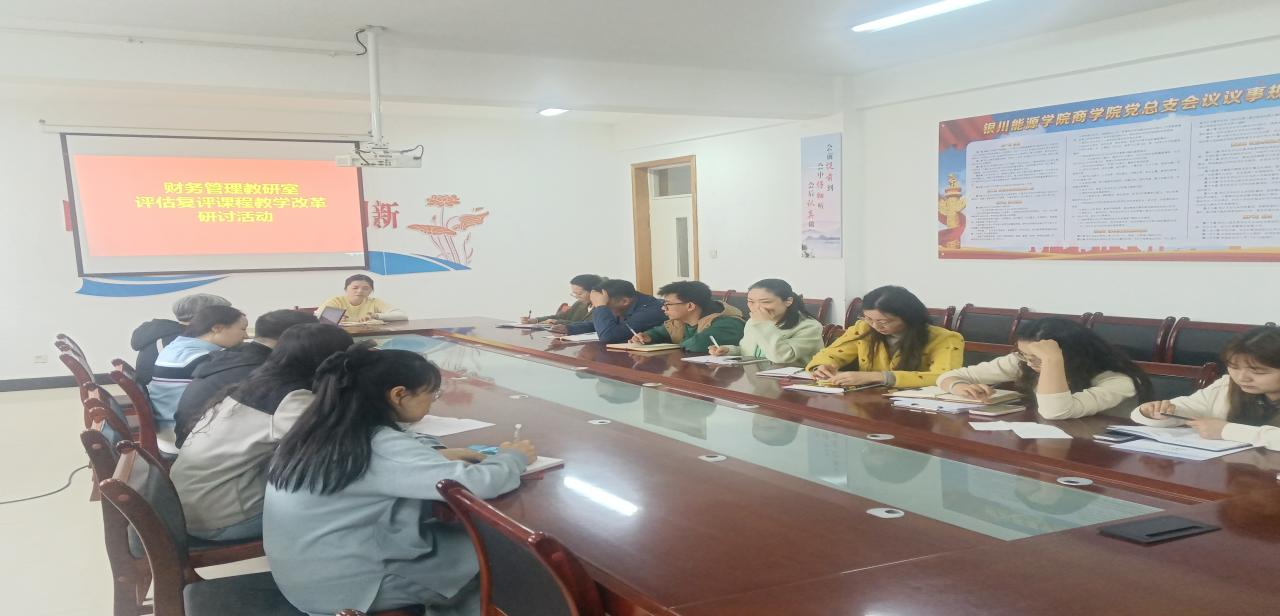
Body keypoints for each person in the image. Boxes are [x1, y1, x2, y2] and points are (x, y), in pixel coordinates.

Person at [264, 346, 536, 616]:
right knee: (497, 554)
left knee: (461, 544)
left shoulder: (319, 429)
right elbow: (479, 483)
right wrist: (514, 457)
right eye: (432, 394)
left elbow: (394, 455)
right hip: (353, 586)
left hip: (307, 574)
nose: (432, 402)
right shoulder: (379, 446)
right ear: (399, 395)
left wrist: (432, 453)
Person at [170, 324, 354, 541]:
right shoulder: (291, 399)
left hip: (190, 505)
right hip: (224, 517)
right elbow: (337, 446)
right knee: (349, 504)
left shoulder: (258, 384)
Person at [938, 318, 1152, 419]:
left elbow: (1056, 411)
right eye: (1024, 354)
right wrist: (959, 386)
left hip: (1100, 455)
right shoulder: (1024, 360)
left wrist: (1052, 361)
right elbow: (949, 376)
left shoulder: (1118, 380)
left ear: (1072, 354)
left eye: (1037, 357)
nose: (1029, 363)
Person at [174, 309, 318, 443]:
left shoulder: (236, 356)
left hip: (191, 440)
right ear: (295, 339)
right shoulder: (262, 372)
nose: (246, 336)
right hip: (211, 447)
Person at [1133, 326, 1280, 451]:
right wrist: (1155, 413)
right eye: (1234, 367)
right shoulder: (1226, 387)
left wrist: (1225, 430)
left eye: (1258, 372)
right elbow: (1187, 408)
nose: (1242, 378)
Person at [807, 285, 963, 388]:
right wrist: (822, 367)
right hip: (869, 403)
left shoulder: (945, 339)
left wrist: (879, 377)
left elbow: (943, 377)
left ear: (908, 317)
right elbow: (830, 354)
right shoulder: (863, 328)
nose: (875, 326)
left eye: (884, 321)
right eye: (868, 318)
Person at [147, 305, 248, 452]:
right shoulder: (200, 359)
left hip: (167, 425)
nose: (246, 336)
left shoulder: (177, 347)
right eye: (243, 329)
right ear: (217, 328)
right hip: (182, 434)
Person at [708, 279, 823, 366]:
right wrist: (729, 350)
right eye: (751, 302)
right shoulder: (754, 322)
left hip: (791, 384)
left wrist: (763, 324)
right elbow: (751, 351)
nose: (756, 307)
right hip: (757, 380)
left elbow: (781, 357)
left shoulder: (810, 327)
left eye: (765, 302)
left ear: (788, 301)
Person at [130, 293, 230, 386]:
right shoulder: (187, 340)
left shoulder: (163, 332)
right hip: (172, 394)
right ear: (207, 316)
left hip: (156, 391)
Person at [630, 280, 745, 353]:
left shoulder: (728, 323)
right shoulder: (681, 321)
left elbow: (697, 345)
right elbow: (659, 332)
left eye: (668, 304)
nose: (663, 308)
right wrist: (647, 336)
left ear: (690, 306)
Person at [551, 279, 666, 343]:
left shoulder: (651, 311)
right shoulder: (625, 304)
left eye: (604, 302)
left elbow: (609, 336)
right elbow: (600, 324)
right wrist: (569, 328)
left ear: (624, 301)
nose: (596, 306)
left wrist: (601, 306)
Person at [317, 274, 407, 323]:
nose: (360, 291)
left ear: (371, 291)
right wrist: (334, 318)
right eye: (355, 288)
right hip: (342, 338)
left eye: (365, 288)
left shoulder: (374, 302)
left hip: (371, 337)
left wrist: (376, 316)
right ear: (346, 289)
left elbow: (402, 316)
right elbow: (317, 317)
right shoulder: (336, 301)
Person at [521, 274, 603, 325]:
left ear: (594, 291)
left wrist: (558, 322)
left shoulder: (603, 308)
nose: (576, 297)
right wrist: (535, 320)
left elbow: (590, 326)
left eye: (579, 294)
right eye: (574, 293)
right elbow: (560, 317)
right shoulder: (579, 304)